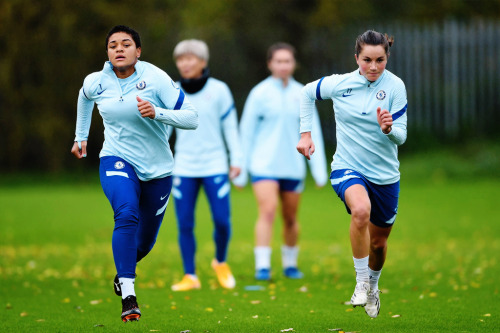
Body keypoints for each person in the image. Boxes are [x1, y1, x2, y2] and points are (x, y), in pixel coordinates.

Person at [70, 25, 198, 322]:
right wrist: (81, 136)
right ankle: (129, 296)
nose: (119, 49)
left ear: (137, 52)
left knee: (143, 244)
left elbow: (192, 118)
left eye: (126, 44)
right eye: (113, 45)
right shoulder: (97, 82)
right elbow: (84, 96)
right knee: (126, 213)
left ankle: (122, 272)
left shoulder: (156, 78)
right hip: (116, 159)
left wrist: (158, 112)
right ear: (107, 53)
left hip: (158, 170)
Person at [297, 30, 407, 318]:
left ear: (387, 57)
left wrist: (389, 129)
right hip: (348, 167)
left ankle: (372, 286)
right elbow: (307, 92)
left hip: (384, 176)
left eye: (380, 60)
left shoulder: (395, 87)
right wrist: (305, 134)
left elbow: (402, 135)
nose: (373, 67)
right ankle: (360, 282)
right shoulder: (341, 84)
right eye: (367, 60)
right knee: (360, 211)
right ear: (356, 57)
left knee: (379, 244)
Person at [234, 43, 328, 281]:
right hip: (263, 166)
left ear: (293, 64)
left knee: (290, 217)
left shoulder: (303, 94)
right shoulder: (259, 94)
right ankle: (262, 266)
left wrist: (318, 170)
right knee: (267, 211)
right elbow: (246, 132)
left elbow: (312, 130)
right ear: (270, 64)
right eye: (278, 61)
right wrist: (241, 170)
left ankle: (290, 264)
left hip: (293, 167)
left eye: (287, 61)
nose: (283, 65)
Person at [168, 39, 243, 291]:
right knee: (185, 222)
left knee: (222, 221)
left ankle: (220, 262)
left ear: (203, 62)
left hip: (215, 165)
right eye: (180, 59)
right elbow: (163, 131)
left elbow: (230, 127)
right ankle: (190, 276)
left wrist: (237, 159)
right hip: (184, 168)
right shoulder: (171, 91)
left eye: (190, 58)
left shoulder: (219, 90)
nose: (185, 63)